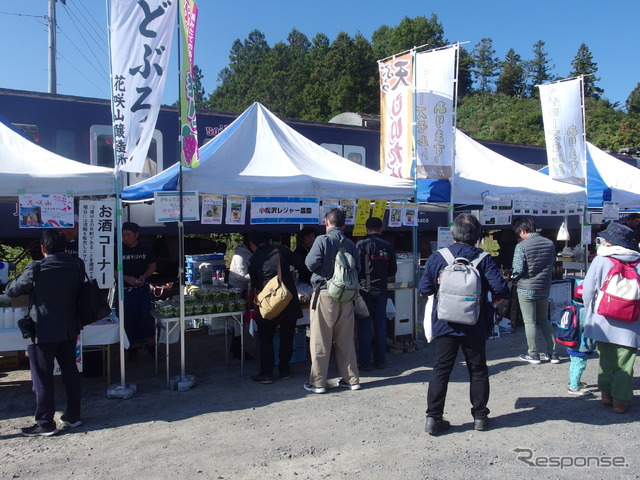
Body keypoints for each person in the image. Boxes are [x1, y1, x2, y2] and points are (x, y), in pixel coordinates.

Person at [418, 213, 509, 435]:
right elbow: (502, 289)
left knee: (441, 369)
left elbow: (424, 289)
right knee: (477, 369)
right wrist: (493, 300)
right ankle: (479, 417)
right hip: (475, 322)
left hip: (445, 322)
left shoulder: (438, 257)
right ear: (477, 235)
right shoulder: (484, 258)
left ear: (453, 234)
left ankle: (433, 419)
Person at [5, 230, 84, 436]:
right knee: (71, 373)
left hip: (42, 331)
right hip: (69, 328)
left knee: (42, 377)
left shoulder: (37, 267)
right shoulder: (77, 264)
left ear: (42, 248)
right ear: (65, 246)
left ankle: (45, 423)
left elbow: (12, 291)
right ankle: (73, 416)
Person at [583, 222, 640, 413]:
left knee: (606, 358)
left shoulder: (601, 259)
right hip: (631, 320)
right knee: (625, 362)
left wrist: (589, 311)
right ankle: (620, 401)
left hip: (604, 318)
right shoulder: (638, 261)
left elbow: (588, 290)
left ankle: (606, 394)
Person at [304, 208, 361, 394]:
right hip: (347, 295)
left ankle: (318, 382)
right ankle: (351, 380)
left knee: (321, 338)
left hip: (325, 293)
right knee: (346, 339)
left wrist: (326, 269)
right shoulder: (351, 244)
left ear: (326, 223)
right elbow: (357, 267)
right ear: (344, 225)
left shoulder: (323, 240)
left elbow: (310, 263)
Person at [248, 231, 306, 383]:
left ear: (254, 244)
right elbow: (301, 263)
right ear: (270, 241)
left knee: (266, 338)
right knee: (287, 336)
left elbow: (254, 284)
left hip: (268, 303)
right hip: (287, 299)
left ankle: (266, 373)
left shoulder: (253, 259)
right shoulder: (281, 250)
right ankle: (284, 370)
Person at [511, 218, 559, 364]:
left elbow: (518, 270)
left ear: (524, 230)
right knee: (544, 319)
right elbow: (552, 263)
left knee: (529, 322)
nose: (519, 236)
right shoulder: (549, 243)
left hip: (526, 288)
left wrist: (512, 277)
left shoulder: (522, 246)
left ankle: (533, 353)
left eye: (519, 233)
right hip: (544, 287)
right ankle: (554, 353)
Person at [355, 216, 397, 370]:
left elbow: (355, 269)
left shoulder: (360, 245)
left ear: (366, 228)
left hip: (364, 291)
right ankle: (380, 360)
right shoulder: (388, 246)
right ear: (381, 228)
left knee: (364, 326)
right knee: (380, 325)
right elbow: (393, 270)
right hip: (381, 290)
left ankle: (364, 362)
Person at [121, 221, 156, 360]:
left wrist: (145, 276)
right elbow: (111, 270)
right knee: (128, 320)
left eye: (128, 235)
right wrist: (126, 278)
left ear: (137, 235)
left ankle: (151, 347)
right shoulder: (118, 249)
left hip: (142, 289)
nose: (125, 238)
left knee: (146, 317)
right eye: (123, 235)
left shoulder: (145, 248)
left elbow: (152, 265)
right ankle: (132, 349)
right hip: (125, 290)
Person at [563, 284, 597, 396]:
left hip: (571, 342)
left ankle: (574, 381)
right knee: (580, 364)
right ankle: (573, 387)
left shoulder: (572, 308)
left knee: (574, 362)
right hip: (581, 345)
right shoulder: (585, 311)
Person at [228, 234, 257, 358]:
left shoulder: (250, 252)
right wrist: (259, 277)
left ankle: (235, 347)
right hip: (237, 290)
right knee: (239, 320)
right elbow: (241, 274)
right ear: (250, 243)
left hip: (245, 289)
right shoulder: (240, 254)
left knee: (240, 322)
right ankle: (238, 350)